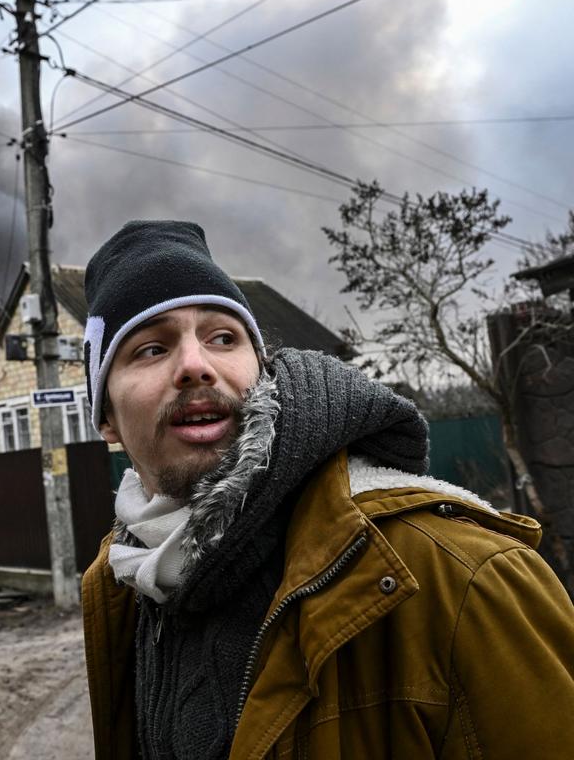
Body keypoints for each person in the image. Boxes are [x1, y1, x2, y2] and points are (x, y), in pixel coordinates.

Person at [80, 220, 574, 760]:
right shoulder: (121, 586)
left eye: (223, 337)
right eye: (151, 349)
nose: (196, 366)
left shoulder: (461, 579)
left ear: (261, 370)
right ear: (106, 420)